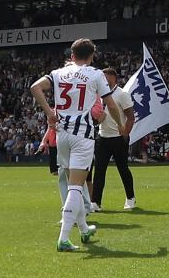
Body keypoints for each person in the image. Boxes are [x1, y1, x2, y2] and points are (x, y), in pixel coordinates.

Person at [30, 38, 125, 251]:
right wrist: (120, 124)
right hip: (83, 135)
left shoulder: (58, 73)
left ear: (72, 55)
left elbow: (35, 87)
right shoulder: (95, 74)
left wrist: (49, 113)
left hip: (62, 135)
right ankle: (63, 238)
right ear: (91, 56)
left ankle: (83, 229)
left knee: (76, 182)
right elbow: (109, 103)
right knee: (75, 186)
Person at [90, 67, 137, 210]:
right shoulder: (98, 95)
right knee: (99, 171)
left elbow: (130, 117)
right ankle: (96, 202)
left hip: (118, 138)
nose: (103, 81)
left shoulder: (122, 94)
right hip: (102, 137)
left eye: (105, 78)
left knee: (123, 169)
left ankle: (130, 198)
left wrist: (126, 133)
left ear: (113, 78)